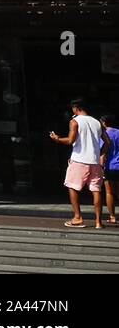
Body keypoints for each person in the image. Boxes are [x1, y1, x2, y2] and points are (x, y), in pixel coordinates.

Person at [50, 97, 109, 229]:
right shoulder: (97, 122)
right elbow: (107, 142)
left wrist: (57, 139)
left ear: (76, 108)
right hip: (95, 162)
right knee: (96, 190)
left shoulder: (74, 121)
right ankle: (98, 222)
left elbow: (71, 141)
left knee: (73, 187)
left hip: (79, 160)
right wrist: (99, 154)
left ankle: (77, 217)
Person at [102, 112, 119, 227]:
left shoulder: (104, 134)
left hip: (109, 166)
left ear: (103, 123)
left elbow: (102, 152)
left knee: (109, 192)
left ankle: (112, 216)